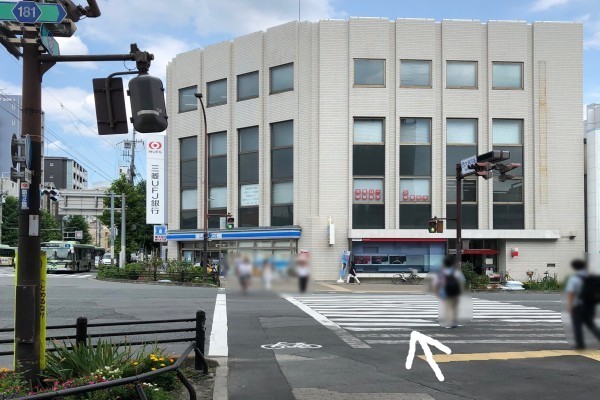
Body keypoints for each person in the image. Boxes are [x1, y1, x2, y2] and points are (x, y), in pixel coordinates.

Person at [565, 259, 600, 349]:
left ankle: (580, 344)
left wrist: (570, 306)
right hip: (590, 303)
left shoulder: (574, 278)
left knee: (577, 325)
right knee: (590, 323)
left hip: (578, 305)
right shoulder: (591, 277)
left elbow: (571, 293)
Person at [434, 254, 465, 328]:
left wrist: (437, 292)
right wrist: (461, 291)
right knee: (455, 307)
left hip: (445, 292)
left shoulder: (441, 272)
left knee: (447, 307)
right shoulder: (456, 272)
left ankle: (448, 321)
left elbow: (437, 283)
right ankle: (454, 321)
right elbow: (462, 281)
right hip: (455, 292)